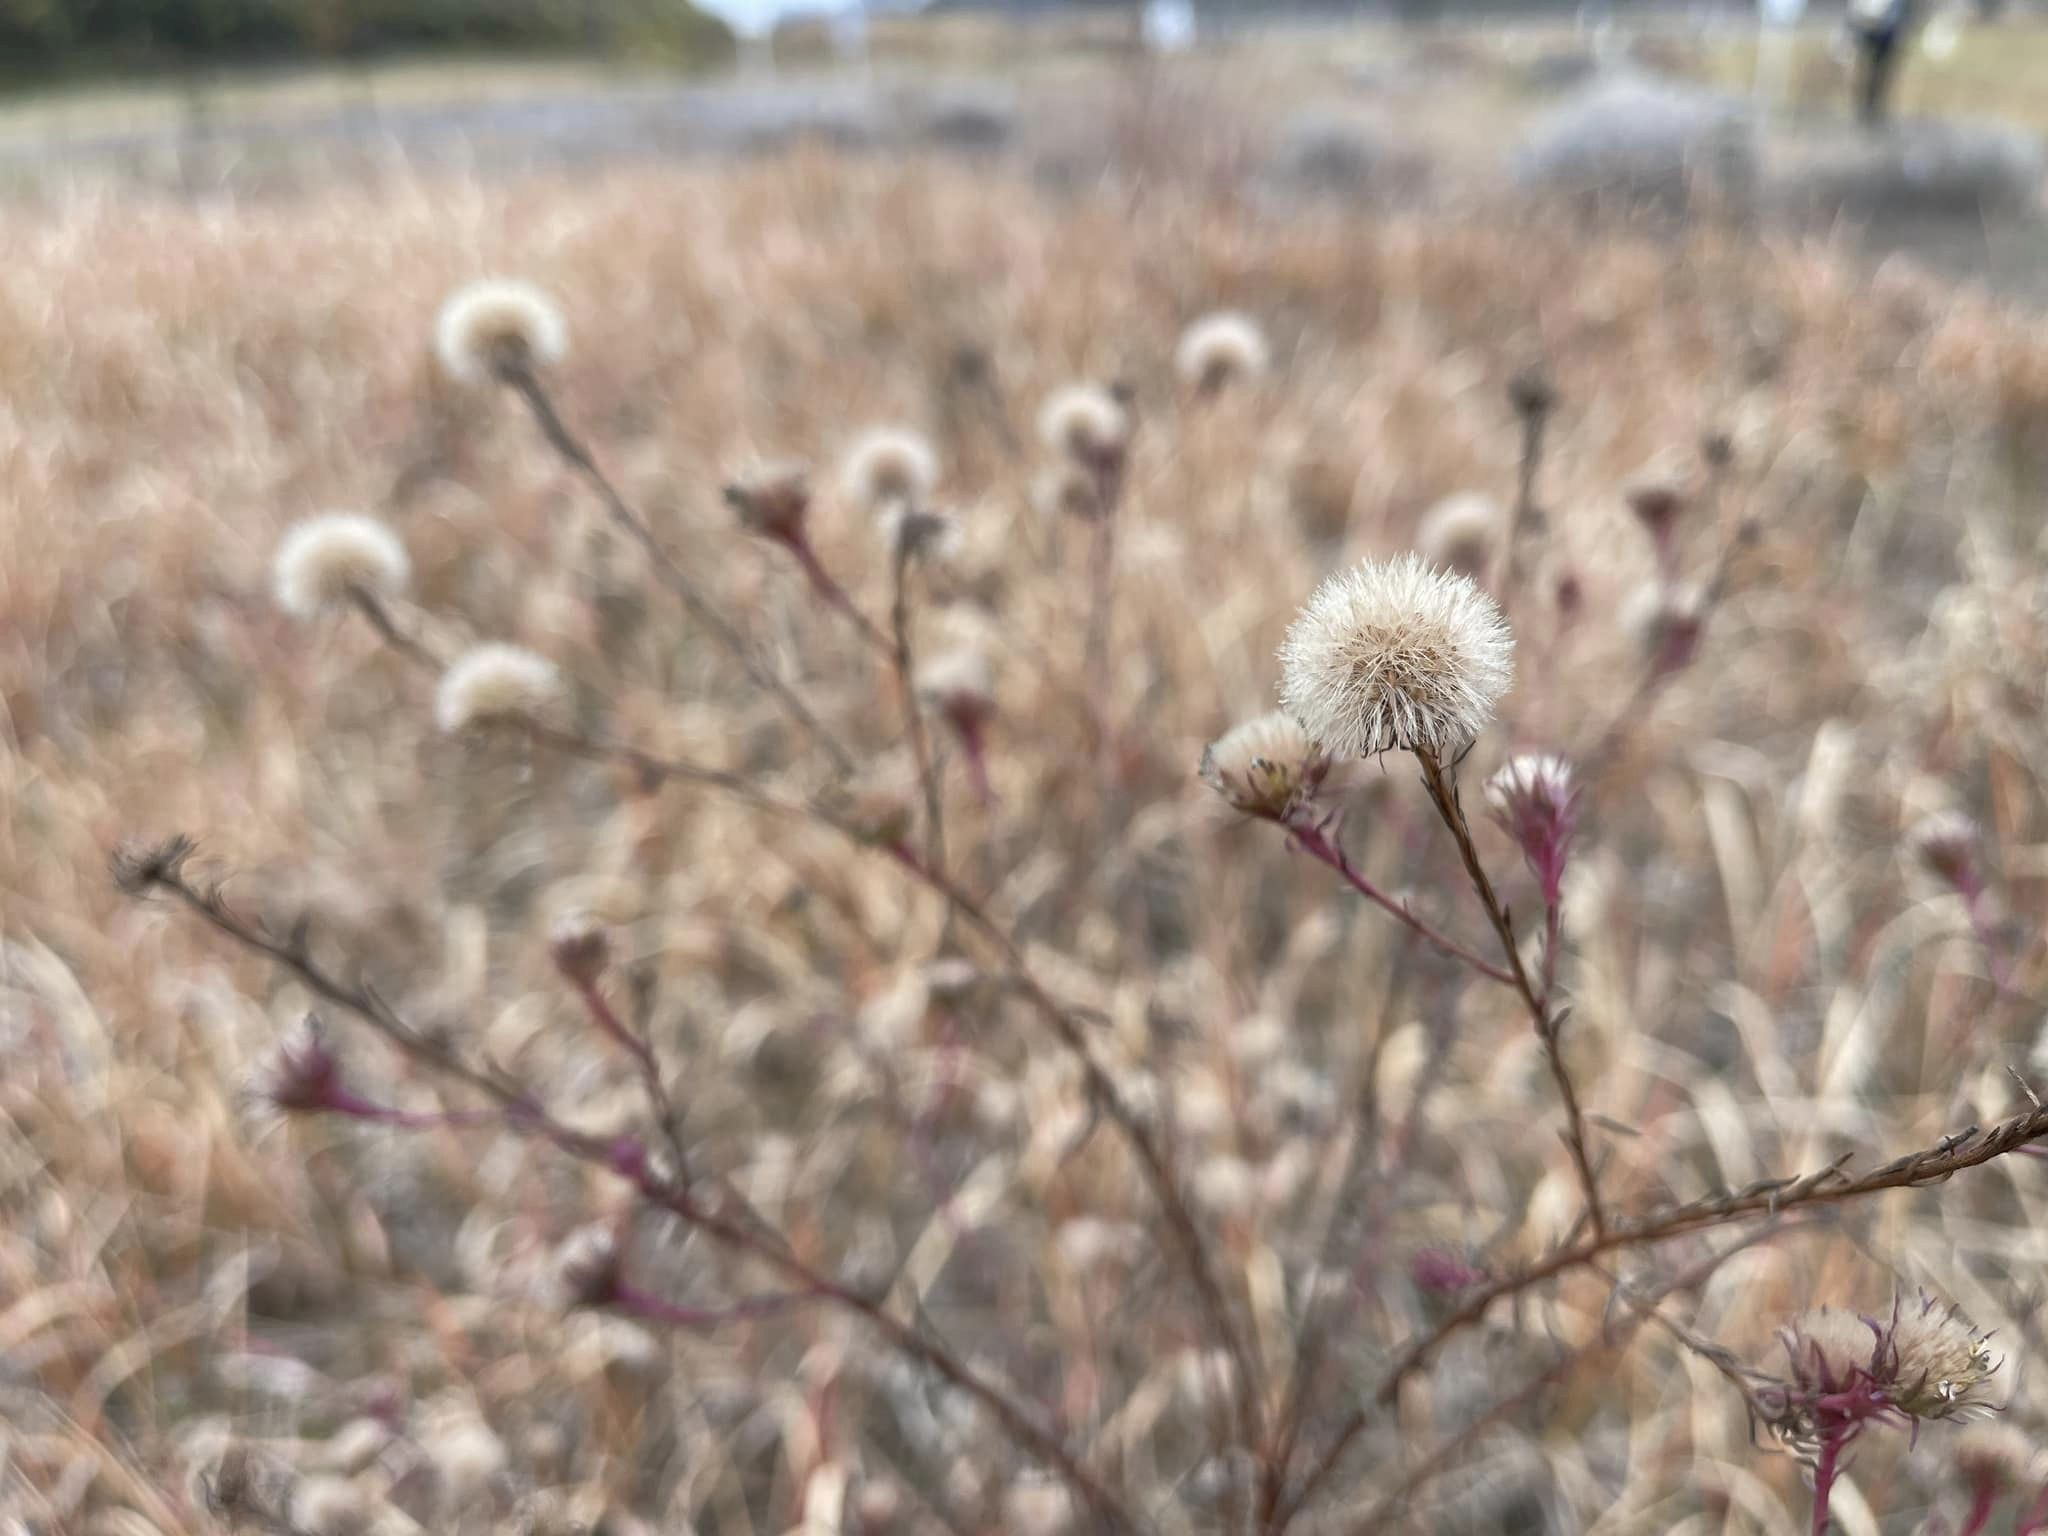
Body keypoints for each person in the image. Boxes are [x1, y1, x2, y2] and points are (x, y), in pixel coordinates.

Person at [1846, 0, 1917, 125]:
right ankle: (1860, 105)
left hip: (1887, 30)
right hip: (1867, 26)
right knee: (1862, 69)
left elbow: (1904, 11)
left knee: (1880, 72)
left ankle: (1872, 107)